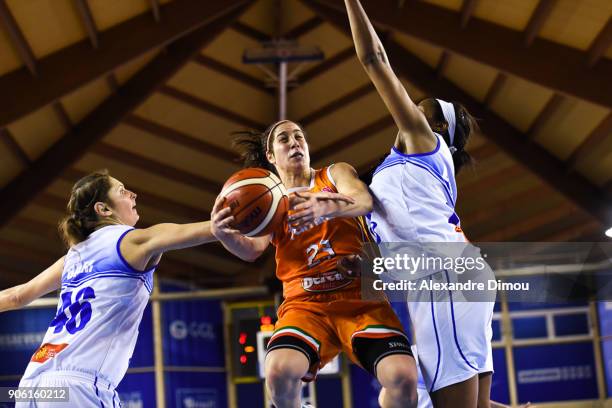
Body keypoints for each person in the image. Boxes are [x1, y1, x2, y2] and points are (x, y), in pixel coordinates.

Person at [345, 1, 495, 407]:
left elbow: (374, 60)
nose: (411, 108)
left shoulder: (425, 144)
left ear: (439, 126)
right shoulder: (410, 167)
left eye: (421, 107)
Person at [211, 120, 418, 408]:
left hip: (360, 299)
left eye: (299, 136)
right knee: (278, 371)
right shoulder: (273, 202)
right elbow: (251, 251)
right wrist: (224, 235)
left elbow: (363, 200)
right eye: (284, 138)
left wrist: (327, 205)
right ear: (270, 156)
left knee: (404, 379)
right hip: (305, 305)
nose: (295, 142)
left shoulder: (334, 174)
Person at [0, 170, 217, 407]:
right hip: (78, 387)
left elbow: (15, 296)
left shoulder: (72, 256)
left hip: (33, 385)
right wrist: (242, 219)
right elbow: (205, 230)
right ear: (103, 209)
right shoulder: (133, 241)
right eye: (123, 191)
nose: (134, 194)